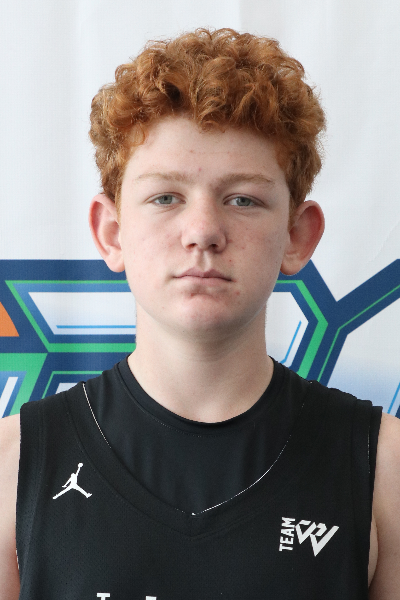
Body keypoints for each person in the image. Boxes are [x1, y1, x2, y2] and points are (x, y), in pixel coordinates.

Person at [0, 28, 399, 600]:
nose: (203, 231)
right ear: (111, 232)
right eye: (165, 197)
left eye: (243, 199)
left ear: (297, 235)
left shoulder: (384, 468)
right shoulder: (12, 467)